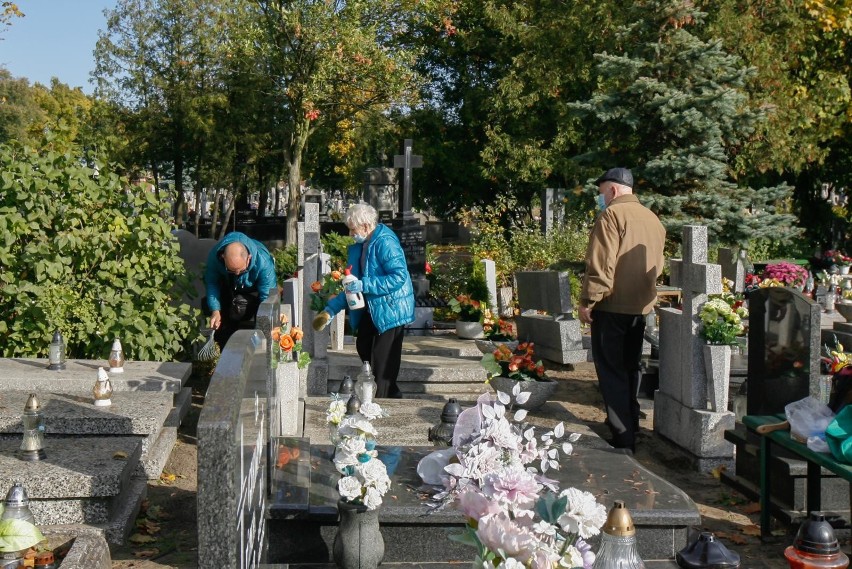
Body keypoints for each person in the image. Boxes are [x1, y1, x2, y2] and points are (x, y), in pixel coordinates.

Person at [578, 167, 666, 453]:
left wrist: (589, 300)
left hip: (612, 304)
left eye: (602, 192)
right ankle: (631, 424)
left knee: (612, 370)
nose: (601, 198)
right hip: (640, 307)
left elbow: (602, 264)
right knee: (631, 368)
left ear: (613, 190)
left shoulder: (612, 215)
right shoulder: (653, 219)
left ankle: (622, 437)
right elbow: (659, 264)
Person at [312, 203, 415, 398]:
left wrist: (364, 285)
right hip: (373, 306)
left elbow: (398, 277)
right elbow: (352, 286)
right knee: (364, 345)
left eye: (353, 229)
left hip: (391, 307)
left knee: (382, 361)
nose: (351, 234)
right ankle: (391, 394)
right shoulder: (361, 246)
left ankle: (381, 400)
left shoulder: (385, 242)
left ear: (366, 226)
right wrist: (331, 310)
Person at [205, 232, 277, 349]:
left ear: (249, 258)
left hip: (254, 290)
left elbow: (267, 296)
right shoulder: (215, 257)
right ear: (223, 257)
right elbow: (212, 283)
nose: (237, 273)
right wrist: (215, 310)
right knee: (224, 321)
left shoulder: (263, 262)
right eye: (232, 269)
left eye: (240, 270)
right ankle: (225, 350)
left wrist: (265, 325)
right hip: (228, 286)